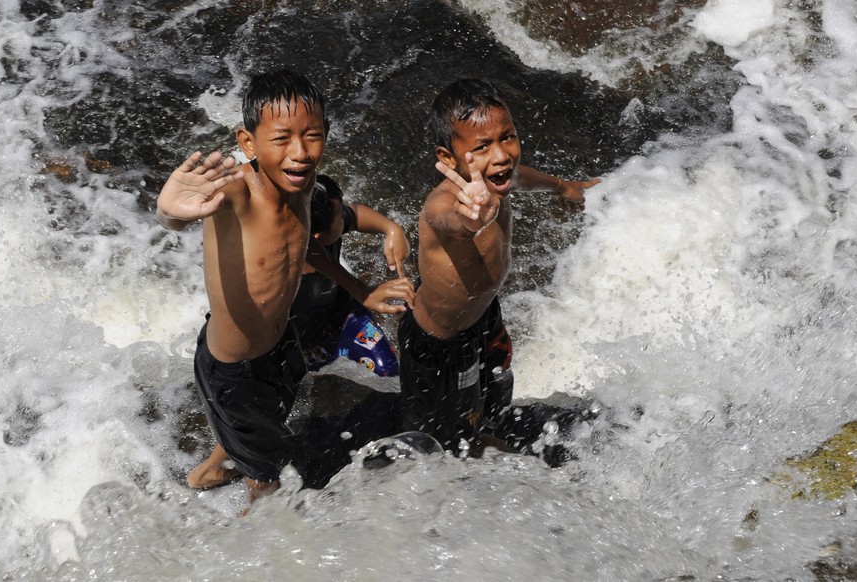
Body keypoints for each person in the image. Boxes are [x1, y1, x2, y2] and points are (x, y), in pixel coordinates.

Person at [155, 70, 414, 511]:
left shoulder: (304, 184)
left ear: (326, 135)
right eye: (281, 139)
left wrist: (372, 264)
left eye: (311, 136)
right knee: (271, 477)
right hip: (234, 370)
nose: (299, 152)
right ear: (249, 142)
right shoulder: (238, 190)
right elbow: (179, 215)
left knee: (265, 421)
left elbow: (330, 227)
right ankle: (255, 530)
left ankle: (214, 468)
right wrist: (168, 210)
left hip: (279, 344)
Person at [399, 78, 600, 455]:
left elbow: (521, 177)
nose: (501, 155)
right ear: (448, 158)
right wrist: (471, 221)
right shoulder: (446, 203)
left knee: (496, 395)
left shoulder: (498, 179)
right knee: (446, 444)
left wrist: (560, 187)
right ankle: (473, 449)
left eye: (507, 137)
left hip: (483, 318)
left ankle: (488, 422)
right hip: (440, 346)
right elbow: (448, 221)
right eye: (481, 147)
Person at [291, 174, 408, 377]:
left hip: (342, 318)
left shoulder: (324, 226)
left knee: (389, 370)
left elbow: (356, 213)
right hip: (296, 345)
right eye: (340, 214)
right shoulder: (281, 268)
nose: (345, 214)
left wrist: (392, 229)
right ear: (318, 237)